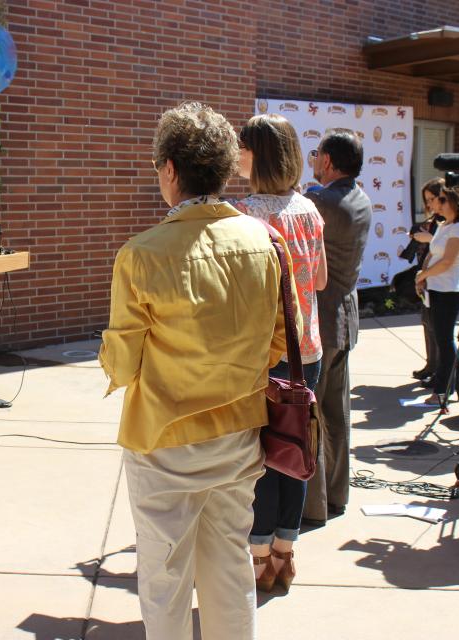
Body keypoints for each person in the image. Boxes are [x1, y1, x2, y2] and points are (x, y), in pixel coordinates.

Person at [99, 102, 294, 639]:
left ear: (169, 169)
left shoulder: (141, 254)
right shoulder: (264, 242)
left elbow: (121, 363)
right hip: (240, 431)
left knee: (164, 578)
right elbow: (280, 340)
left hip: (164, 439)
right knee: (231, 568)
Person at [232, 113, 326, 593]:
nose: (237, 157)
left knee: (263, 457)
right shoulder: (309, 210)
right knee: (296, 449)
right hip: (308, 349)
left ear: (260, 154)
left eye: (243, 149)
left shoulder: (245, 214)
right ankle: (286, 553)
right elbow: (322, 279)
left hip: (266, 354)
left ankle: (261, 555)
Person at [302, 131, 372, 525]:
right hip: (346, 318)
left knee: (312, 414)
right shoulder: (360, 197)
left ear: (327, 160)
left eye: (316, 156)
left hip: (323, 324)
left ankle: (313, 505)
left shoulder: (320, 201)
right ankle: (338, 493)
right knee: (336, 413)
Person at [415, 187, 459, 407]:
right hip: (435, 289)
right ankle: (452, 383)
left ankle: (443, 390)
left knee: (445, 340)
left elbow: (448, 261)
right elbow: (432, 254)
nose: (437, 203)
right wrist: (422, 277)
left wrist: (424, 274)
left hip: (450, 290)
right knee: (439, 337)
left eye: (442, 200)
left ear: (454, 203)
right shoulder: (444, 225)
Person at [409, 177, 445, 384]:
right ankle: (431, 365)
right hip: (427, 279)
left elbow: (449, 251)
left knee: (439, 328)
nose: (429, 204)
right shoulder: (434, 221)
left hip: (441, 281)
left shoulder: (452, 222)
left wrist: (429, 239)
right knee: (427, 322)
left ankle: (441, 370)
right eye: (427, 200)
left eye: (432, 198)